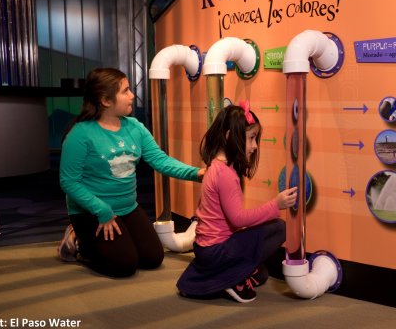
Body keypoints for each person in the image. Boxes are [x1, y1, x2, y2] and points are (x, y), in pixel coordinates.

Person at [56, 67, 205, 278]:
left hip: (127, 208)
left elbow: (159, 160)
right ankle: (79, 242)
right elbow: (69, 182)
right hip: (93, 212)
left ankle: (105, 240)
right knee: (124, 266)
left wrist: (197, 173)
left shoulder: (135, 127)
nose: (132, 95)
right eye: (125, 91)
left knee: (153, 258)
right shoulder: (80, 134)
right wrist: (102, 210)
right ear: (106, 101)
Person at [177, 102, 298, 303]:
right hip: (216, 250)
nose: (255, 146)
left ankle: (225, 277)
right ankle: (230, 280)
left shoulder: (216, 166)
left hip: (206, 249)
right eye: (251, 138)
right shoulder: (225, 174)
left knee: (262, 274)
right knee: (279, 228)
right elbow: (238, 218)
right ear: (230, 137)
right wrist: (276, 204)